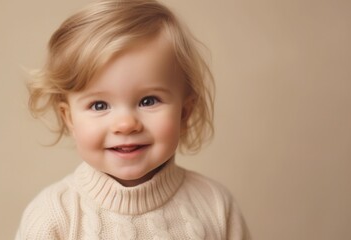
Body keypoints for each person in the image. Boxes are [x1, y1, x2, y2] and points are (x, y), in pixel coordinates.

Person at [16, 0, 251, 239]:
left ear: (184, 113)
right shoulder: (53, 218)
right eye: (99, 105)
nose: (126, 124)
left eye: (148, 101)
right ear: (69, 119)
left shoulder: (215, 206)